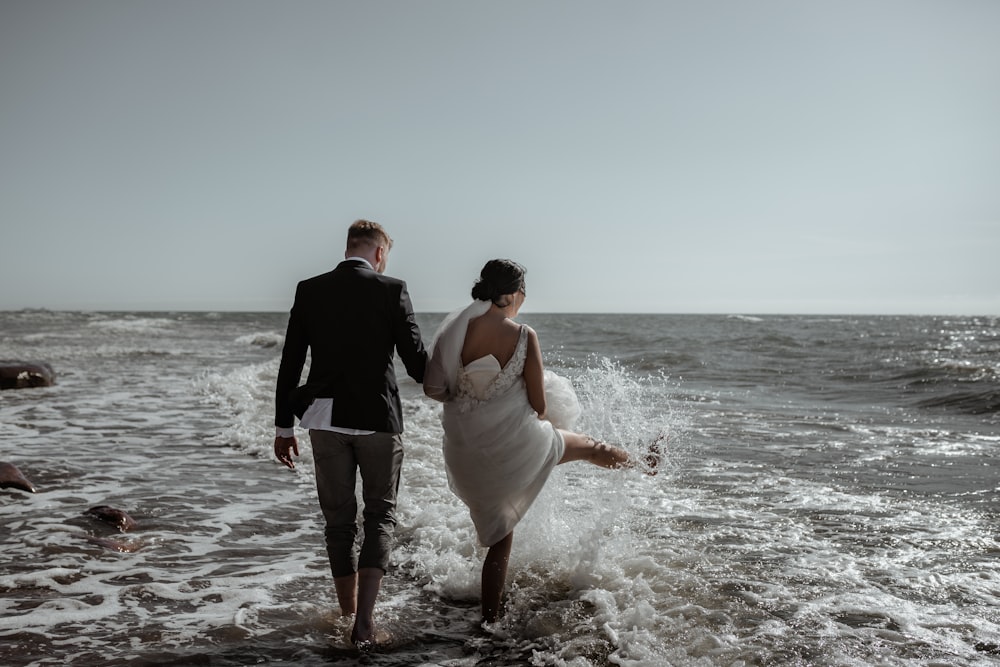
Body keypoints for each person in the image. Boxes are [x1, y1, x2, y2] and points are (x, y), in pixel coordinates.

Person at [423, 259, 657, 623]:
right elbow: (539, 404)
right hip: (515, 446)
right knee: (591, 447)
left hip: (464, 452)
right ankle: (644, 463)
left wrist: (480, 399)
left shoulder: (457, 329)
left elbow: (434, 388)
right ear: (514, 292)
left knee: (499, 538)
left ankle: (489, 619)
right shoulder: (522, 335)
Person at [273, 219, 427, 649]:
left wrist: (283, 426)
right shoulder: (392, 289)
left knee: (338, 523)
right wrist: (458, 380)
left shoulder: (310, 289)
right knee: (380, 516)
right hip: (378, 419)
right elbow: (416, 363)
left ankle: (346, 612)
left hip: (324, 421)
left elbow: (290, 362)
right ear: (379, 253)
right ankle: (365, 622)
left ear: (349, 248)